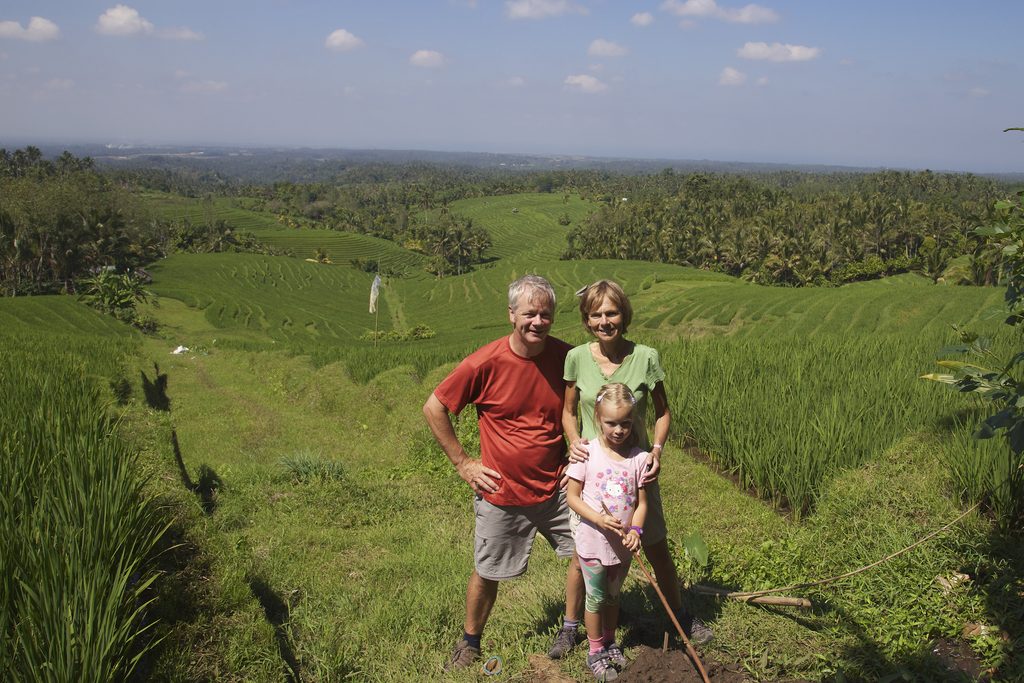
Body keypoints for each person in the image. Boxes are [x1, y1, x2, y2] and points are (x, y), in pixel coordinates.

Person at [422, 274, 583, 671]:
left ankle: (572, 626)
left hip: (558, 487)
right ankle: (470, 642)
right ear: (511, 315)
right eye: (530, 313)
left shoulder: (568, 359)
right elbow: (434, 407)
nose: (538, 321)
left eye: (545, 314)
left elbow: (589, 411)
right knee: (487, 570)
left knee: (586, 554)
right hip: (502, 491)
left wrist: (580, 464)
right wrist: (464, 463)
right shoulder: (485, 362)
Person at [550, 279, 712, 658]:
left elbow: (663, 412)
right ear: (587, 320)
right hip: (593, 476)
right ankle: (570, 627)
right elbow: (569, 411)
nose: (606, 321)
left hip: (636, 472)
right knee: (582, 557)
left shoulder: (646, 356)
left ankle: (679, 616)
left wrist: (656, 450)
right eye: (597, 315)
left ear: (624, 314)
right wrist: (574, 443)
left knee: (655, 546)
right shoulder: (576, 358)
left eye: (612, 312)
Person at [566, 383, 649, 681]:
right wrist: (599, 520)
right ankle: (595, 650)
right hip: (593, 542)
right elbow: (572, 497)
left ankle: (611, 641)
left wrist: (636, 530)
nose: (618, 430)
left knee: (614, 597)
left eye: (625, 423)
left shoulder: (639, 458)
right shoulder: (587, 453)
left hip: (621, 546)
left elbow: (641, 504)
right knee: (596, 597)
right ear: (598, 418)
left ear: (633, 422)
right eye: (611, 423)